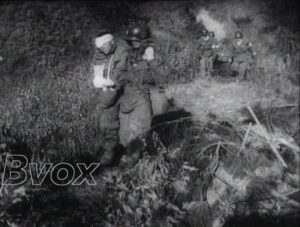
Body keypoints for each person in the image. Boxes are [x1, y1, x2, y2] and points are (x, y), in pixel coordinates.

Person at [118, 24, 167, 166]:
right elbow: (119, 74)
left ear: (144, 41)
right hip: (126, 97)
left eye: (137, 41)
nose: (134, 44)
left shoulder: (152, 56)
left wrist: (151, 60)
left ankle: (133, 157)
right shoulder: (126, 56)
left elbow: (163, 76)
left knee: (139, 129)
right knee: (124, 130)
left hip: (142, 96)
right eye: (132, 41)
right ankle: (126, 154)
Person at [91, 30, 129, 166]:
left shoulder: (122, 53)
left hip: (121, 91)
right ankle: (105, 146)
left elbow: (117, 79)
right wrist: (97, 80)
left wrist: (104, 101)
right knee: (102, 120)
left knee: (110, 120)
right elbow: (97, 69)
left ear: (111, 42)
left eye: (103, 46)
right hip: (108, 91)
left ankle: (110, 153)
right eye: (99, 47)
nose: (100, 49)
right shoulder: (102, 53)